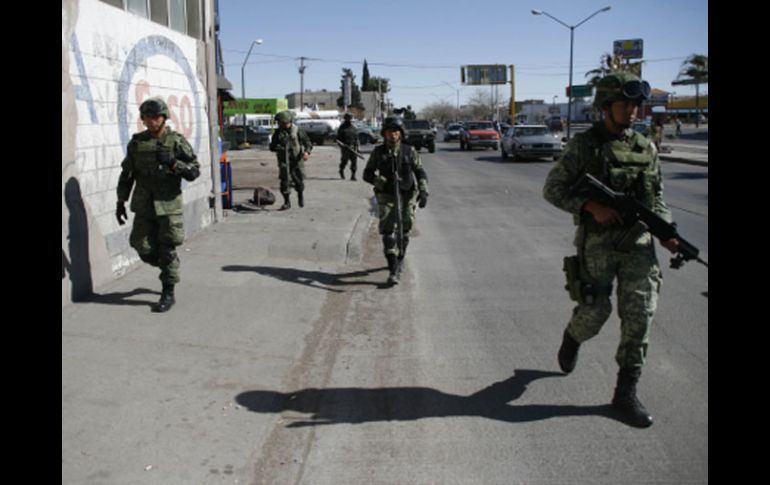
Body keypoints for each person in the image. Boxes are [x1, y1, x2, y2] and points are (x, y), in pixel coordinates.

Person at [542, 72, 680, 428]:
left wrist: (666, 230)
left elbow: (657, 198)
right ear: (605, 107)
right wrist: (591, 208)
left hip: (638, 246)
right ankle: (573, 337)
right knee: (596, 312)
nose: (632, 110)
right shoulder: (585, 146)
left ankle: (625, 394)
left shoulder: (645, 147)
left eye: (636, 104)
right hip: (598, 245)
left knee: (640, 316)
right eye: (625, 103)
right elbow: (553, 190)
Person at [116, 97, 200, 313]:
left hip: (168, 205)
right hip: (144, 204)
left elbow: (194, 171)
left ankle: (168, 291)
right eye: (147, 117)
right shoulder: (137, 143)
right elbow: (127, 174)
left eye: (155, 117)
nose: (151, 121)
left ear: (164, 118)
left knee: (167, 248)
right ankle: (168, 265)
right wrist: (120, 201)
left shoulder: (176, 141)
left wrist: (173, 163)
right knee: (140, 245)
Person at [363, 117, 429, 285]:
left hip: (407, 195)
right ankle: (393, 269)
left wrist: (423, 190)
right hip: (387, 196)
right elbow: (367, 174)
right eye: (389, 132)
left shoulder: (409, 151)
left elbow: (420, 171)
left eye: (396, 132)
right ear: (384, 133)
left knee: (405, 228)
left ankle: (400, 258)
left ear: (401, 134)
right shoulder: (379, 152)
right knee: (388, 232)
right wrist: (381, 181)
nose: (393, 135)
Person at [269, 110, 313, 210]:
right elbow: (272, 147)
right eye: (279, 123)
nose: (280, 124)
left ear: (288, 121)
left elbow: (308, 143)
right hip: (284, 161)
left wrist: (307, 152)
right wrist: (277, 147)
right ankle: (287, 202)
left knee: (299, 181)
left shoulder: (297, 130)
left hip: (296, 161)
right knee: (284, 182)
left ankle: (300, 195)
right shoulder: (277, 133)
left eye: (282, 122)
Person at [336, 113, 359, 180]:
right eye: (348, 118)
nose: (350, 120)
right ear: (345, 119)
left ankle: (353, 175)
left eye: (350, 118)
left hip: (353, 148)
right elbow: (338, 139)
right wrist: (342, 146)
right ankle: (341, 170)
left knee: (354, 162)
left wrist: (358, 147)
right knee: (344, 161)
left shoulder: (354, 128)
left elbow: (357, 138)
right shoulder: (342, 128)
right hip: (345, 148)